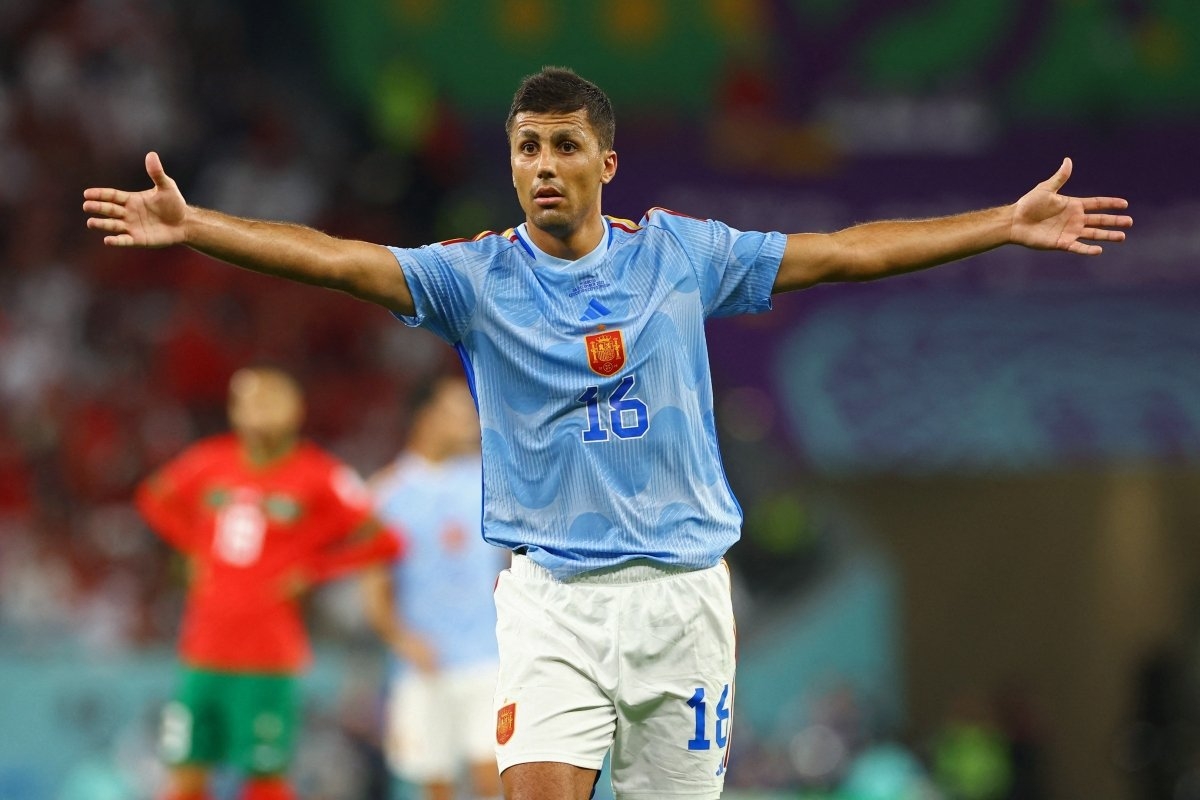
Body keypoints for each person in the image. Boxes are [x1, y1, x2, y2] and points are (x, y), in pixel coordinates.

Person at [84, 67, 1132, 800]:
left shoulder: (683, 256)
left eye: (565, 145)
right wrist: (198, 225)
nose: (543, 164)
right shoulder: (473, 278)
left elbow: (847, 252)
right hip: (552, 603)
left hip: (684, 601)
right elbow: (337, 260)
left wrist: (1002, 223)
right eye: (527, 147)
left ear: (607, 162)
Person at [134, 366, 405, 800]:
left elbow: (385, 540)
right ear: (234, 410)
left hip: (268, 655)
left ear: (295, 410)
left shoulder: (320, 473)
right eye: (249, 401)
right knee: (185, 773)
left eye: (271, 400)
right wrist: (195, 547)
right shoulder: (209, 460)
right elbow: (153, 498)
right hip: (202, 649)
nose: (259, 410)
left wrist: (314, 569)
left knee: (264, 779)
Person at [360, 373, 505, 800]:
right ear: (425, 417)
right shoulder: (387, 494)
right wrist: (402, 640)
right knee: (435, 785)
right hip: (423, 666)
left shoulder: (490, 482)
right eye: (457, 411)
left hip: (489, 657)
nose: (471, 420)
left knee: (494, 777)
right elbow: (374, 586)